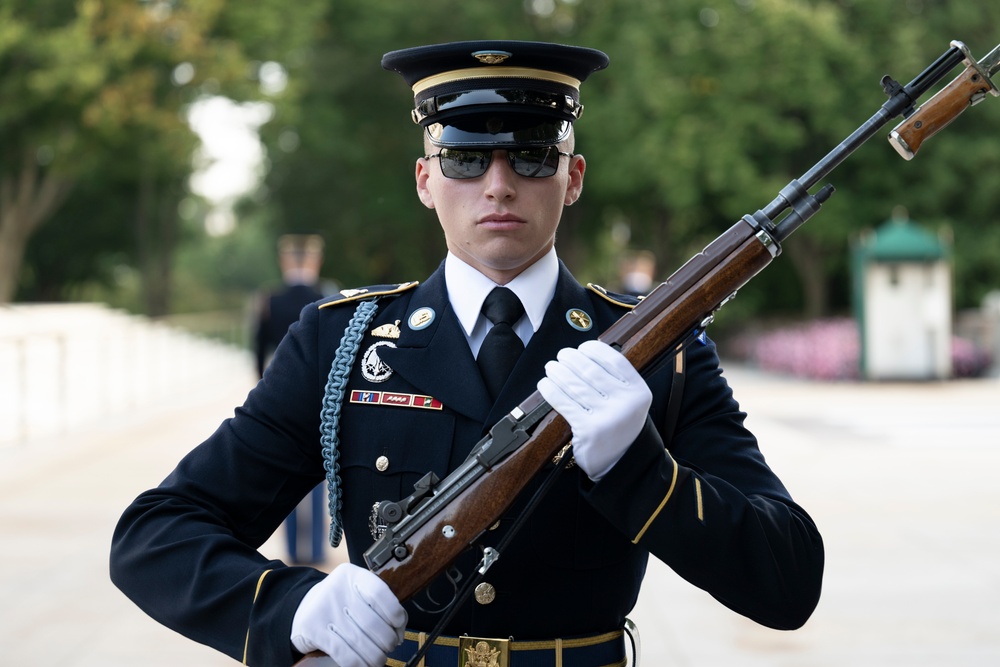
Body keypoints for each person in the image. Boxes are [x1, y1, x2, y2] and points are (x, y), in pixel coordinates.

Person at [111, 40, 824, 667]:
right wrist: (290, 608)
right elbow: (154, 534)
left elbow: (789, 577)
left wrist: (638, 469)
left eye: (534, 155)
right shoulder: (344, 345)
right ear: (425, 180)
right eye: (464, 156)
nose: (498, 183)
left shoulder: (653, 352)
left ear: (573, 178)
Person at [254, 234, 329, 565]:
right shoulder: (326, 297)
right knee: (317, 475)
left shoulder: (270, 300)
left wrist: (262, 387)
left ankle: (293, 550)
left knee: (285, 471)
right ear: (314, 261)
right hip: (323, 396)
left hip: (281, 395)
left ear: (286, 262)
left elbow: (259, 349)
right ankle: (314, 549)